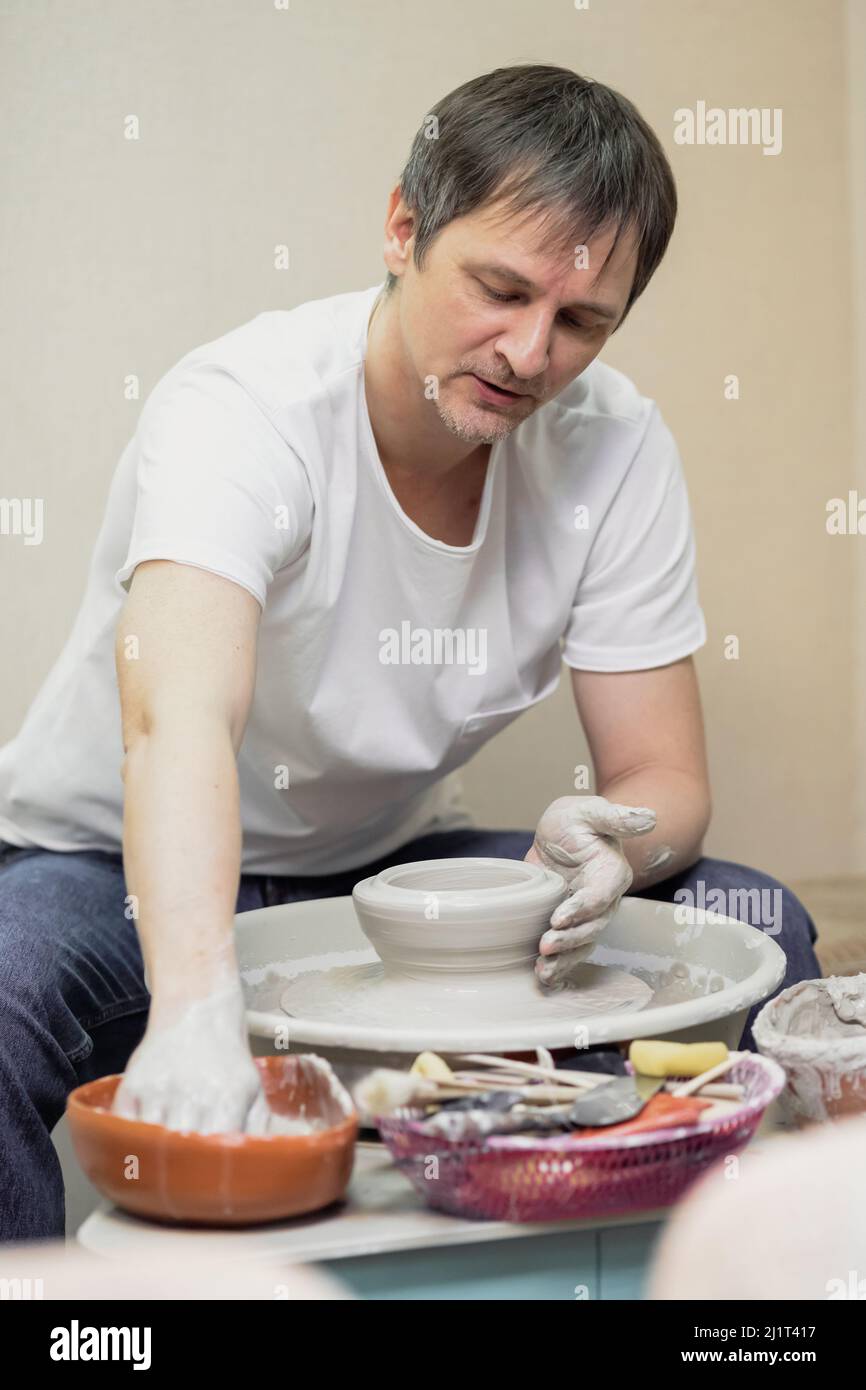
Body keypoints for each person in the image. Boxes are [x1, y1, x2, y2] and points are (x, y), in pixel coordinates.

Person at [0, 64, 819, 1241]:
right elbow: (174, 723)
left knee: (761, 923)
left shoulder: (614, 450)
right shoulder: (244, 407)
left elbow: (662, 779)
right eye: (499, 289)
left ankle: (579, 1257)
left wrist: (613, 852)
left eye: (580, 321)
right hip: (112, 862)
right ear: (401, 228)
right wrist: (191, 1003)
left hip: (377, 867)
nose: (529, 352)